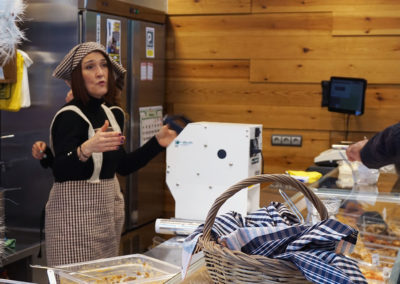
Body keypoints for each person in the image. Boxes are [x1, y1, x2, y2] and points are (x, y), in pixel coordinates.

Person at [42, 42, 176, 267]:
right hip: (72, 223)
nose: (100, 72)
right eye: (90, 67)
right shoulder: (68, 116)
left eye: (104, 65)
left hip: (106, 217)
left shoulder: (113, 114)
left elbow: (121, 166)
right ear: (77, 77)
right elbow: (60, 170)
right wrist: (85, 149)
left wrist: (157, 143)